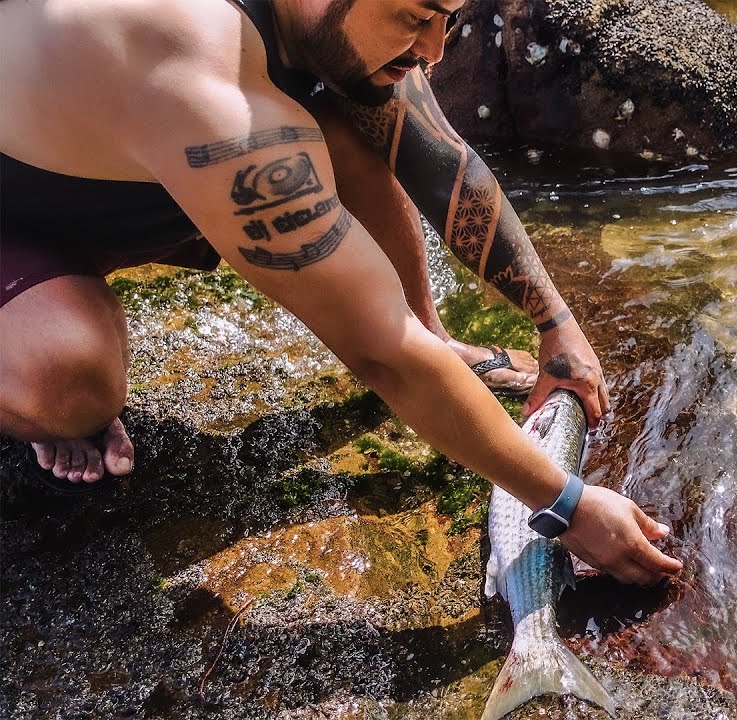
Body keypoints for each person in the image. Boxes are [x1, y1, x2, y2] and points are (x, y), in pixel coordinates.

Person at [0, 0, 682, 585]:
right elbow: (383, 353)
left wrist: (554, 321)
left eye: (449, 19)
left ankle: (443, 333)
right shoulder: (206, 83)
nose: (435, 49)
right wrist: (567, 506)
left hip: (121, 170)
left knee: (349, 111)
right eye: (417, 18)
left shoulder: (326, 30)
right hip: (26, 214)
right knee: (70, 382)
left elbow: (440, 161)